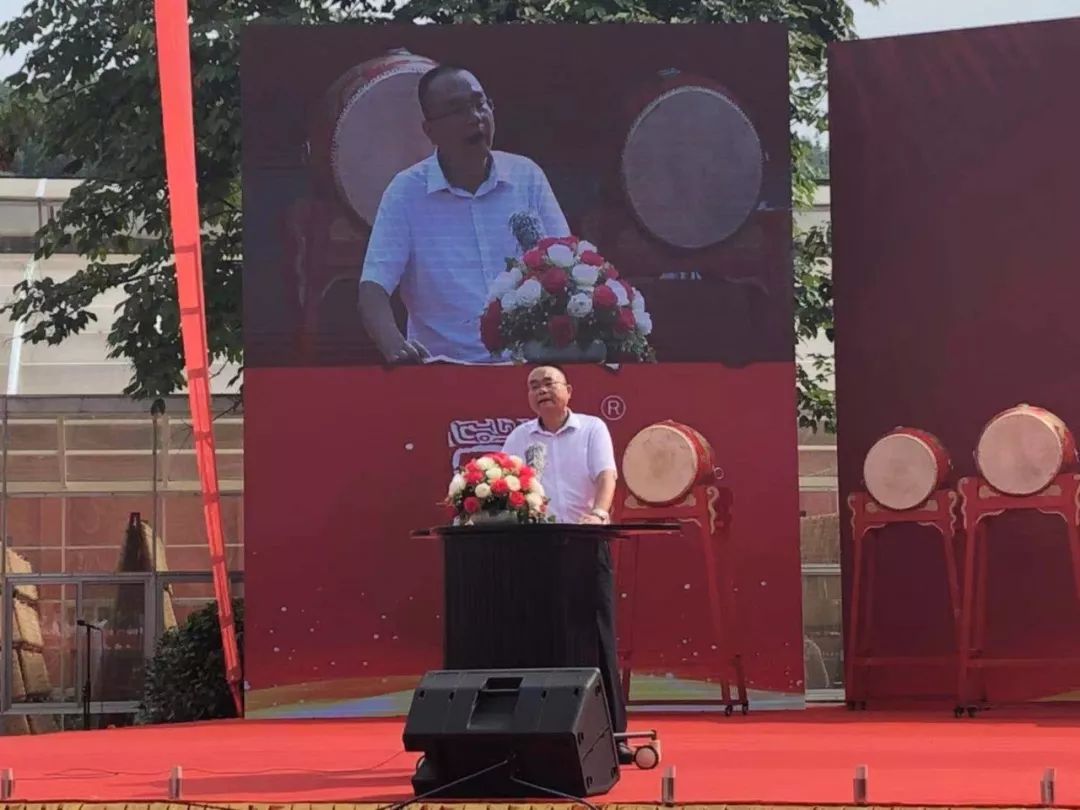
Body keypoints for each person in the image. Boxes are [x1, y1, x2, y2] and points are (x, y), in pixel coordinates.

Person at [358, 65, 570, 364]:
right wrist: (394, 345)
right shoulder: (405, 192)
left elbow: (569, 267)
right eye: (457, 110)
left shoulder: (526, 176)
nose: (475, 117)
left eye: (480, 104)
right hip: (444, 371)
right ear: (430, 131)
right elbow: (373, 288)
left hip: (528, 367)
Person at [501, 365, 633, 765]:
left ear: (568, 391)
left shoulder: (591, 429)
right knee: (536, 636)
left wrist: (599, 513)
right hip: (535, 548)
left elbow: (607, 475)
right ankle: (539, 735)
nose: (541, 390)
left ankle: (614, 736)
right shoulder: (519, 437)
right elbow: (508, 487)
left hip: (584, 541)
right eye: (533, 386)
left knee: (596, 636)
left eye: (548, 383)